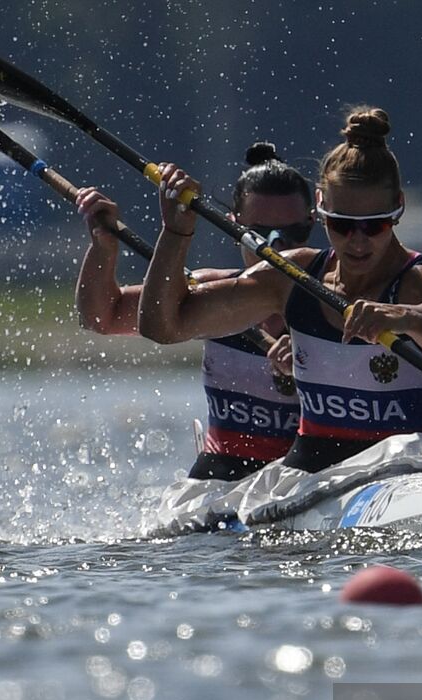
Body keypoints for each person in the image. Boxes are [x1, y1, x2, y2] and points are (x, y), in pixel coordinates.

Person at [138, 107, 422, 474]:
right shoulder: (290, 275)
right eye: (342, 225)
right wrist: (176, 233)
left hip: (404, 469)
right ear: (321, 209)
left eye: (374, 226)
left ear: (398, 208)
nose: (358, 241)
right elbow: (163, 327)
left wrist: (400, 315)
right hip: (312, 474)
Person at [73, 143, 314, 481]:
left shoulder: (336, 303)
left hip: (307, 475)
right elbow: (102, 317)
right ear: (233, 226)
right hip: (223, 473)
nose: (276, 249)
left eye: (292, 234)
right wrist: (103, 247)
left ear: (314, 223)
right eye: (258, 234)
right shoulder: (213, 294)